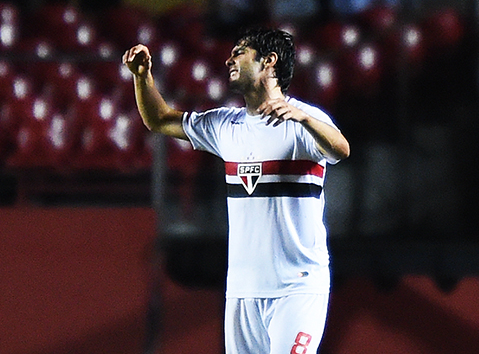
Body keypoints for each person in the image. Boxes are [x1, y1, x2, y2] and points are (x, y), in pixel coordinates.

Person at [122, 28, 350, 354]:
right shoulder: (225, 125)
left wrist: (304, 120)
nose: (229, 58)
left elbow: (341, 150)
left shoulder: (304, 121)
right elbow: (159, 120)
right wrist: (142, 77)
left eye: (240, 51)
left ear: (269, 62)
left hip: (297, 288)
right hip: (243, 291)